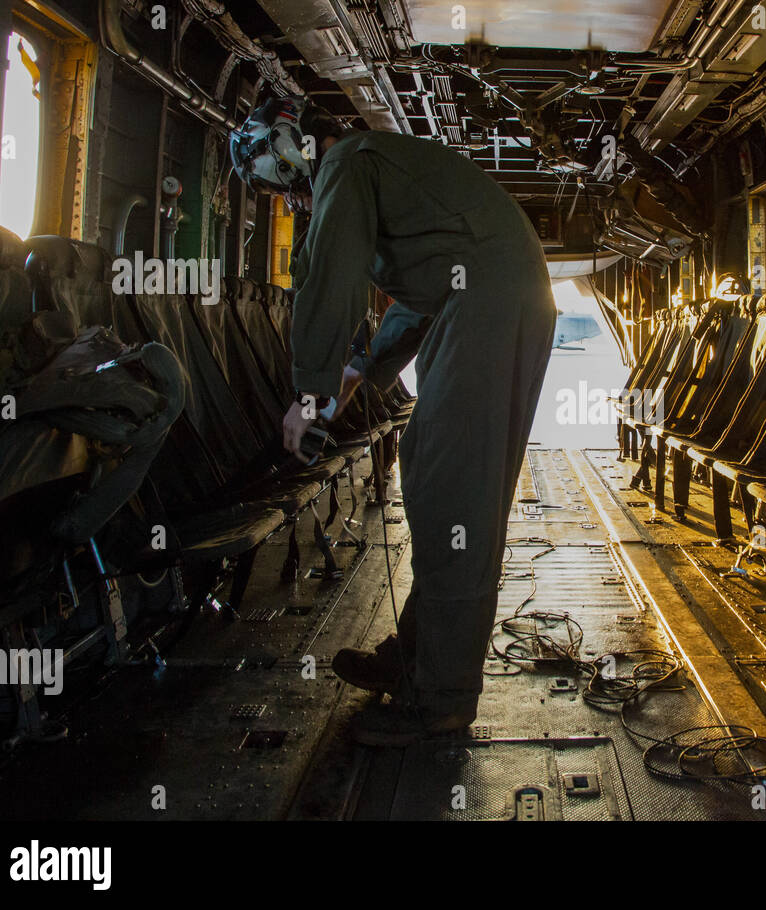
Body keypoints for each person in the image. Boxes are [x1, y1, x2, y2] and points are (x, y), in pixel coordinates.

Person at [230, 97, 555, 744]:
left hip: (489, 304)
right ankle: (415, 657)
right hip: (479, 300)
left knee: (452, 491)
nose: (275, 179)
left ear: (294, 139)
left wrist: (311, 391)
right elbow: (422, 289)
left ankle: (441, 698)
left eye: (268, 156)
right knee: (440, 481)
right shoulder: (369, 166)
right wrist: (360, 374)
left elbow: (335, 271)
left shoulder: (346, 163)